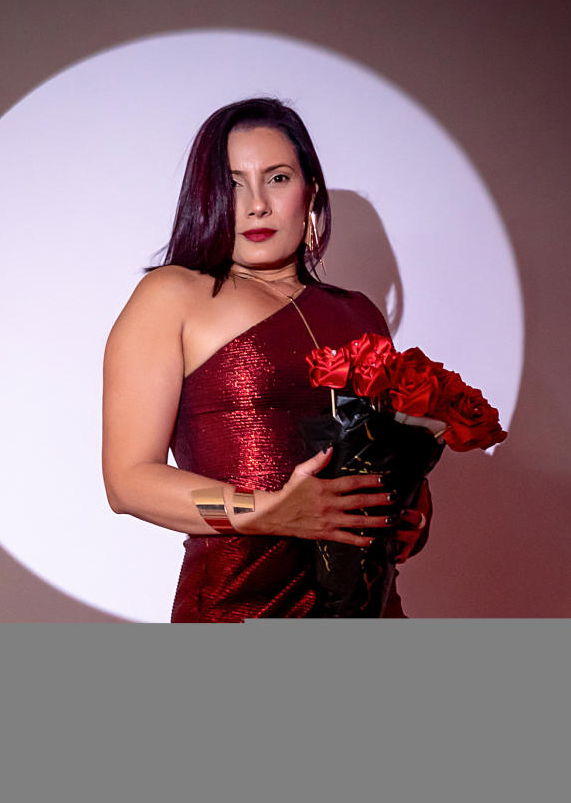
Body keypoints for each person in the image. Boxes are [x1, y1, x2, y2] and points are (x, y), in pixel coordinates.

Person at [102, 97, 434, 622]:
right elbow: (129, 483)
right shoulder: (173, 295)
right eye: (233, 183)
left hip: (367, 611)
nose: (256, 204)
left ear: (310, 193)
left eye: (277, 178)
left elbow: (382, 454)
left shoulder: (359, 313)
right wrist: (267, 512)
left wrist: (411, 512)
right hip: (239, 609)